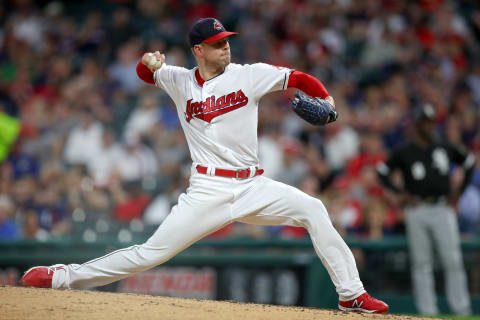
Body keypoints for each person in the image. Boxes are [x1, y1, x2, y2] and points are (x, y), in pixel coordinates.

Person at [21, 18, 388, 314]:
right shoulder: (180, 79)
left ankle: (351, 294)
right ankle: (63, 277)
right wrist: (146, 62)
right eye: (216, 43)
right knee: (150, 254)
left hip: (252, 186)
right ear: (199, 50)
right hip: (207, 191)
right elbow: (147, 75)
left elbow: (296, 78)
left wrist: (326, 98)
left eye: (226, 39)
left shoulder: (248, 74)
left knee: (313, 208)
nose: (225, 45)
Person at [377, 104, 475, 315]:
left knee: (452, 260)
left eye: (432, 122)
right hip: (417, 209)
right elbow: (382, 171)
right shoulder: (405, 151)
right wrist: (399, 193)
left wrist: (460, 191)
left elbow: (469, 162)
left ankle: (462, 309)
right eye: (425, 122)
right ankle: (427, 312)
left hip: (442, 207)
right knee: (422, 264)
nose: (430, 126)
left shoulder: (445, 147)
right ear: (417, 125)